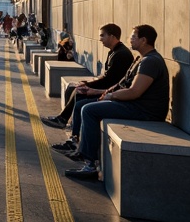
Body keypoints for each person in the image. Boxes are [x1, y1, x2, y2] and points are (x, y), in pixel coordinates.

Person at [65, 25, 170, 181]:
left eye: (133, 37)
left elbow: (134, 92)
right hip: (136, 105)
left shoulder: (151, 62)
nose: (130, 39)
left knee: (89, 110)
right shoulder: (141, 59)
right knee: (86, 104)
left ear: (143, 40)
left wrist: (110, 97)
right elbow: (122, 85)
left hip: (145, 110)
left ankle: (89, 165)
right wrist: (100, 92)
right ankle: (82, 150)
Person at [45, 23, 134, 139]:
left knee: (79, 95)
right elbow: (107, 77)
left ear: (112, 36)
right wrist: (87, 83)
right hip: (109, 87)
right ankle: (65, 121)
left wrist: (88, 86)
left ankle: (72, 133)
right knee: (72, 88)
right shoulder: (114, 51)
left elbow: (110, 80)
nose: (100, 39)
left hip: (111, 91)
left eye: (102, 36)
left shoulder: (122, 54)